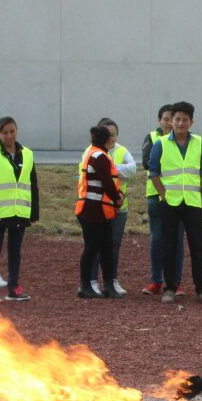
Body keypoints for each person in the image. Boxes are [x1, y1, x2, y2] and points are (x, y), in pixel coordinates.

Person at [150, 101, 202, 305]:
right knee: (168, 245)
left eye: (185, 120)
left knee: (197, 247)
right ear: (171, 121)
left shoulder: (198, 142)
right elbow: (153, 173)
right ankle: (169, 288)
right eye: (177, 119)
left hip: (193, 202)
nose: (180, 123)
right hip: (170, 203)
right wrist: (164, 195)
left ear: (191, 122)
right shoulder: (160, 143)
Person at [0, 117, 38, 304]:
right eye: (5, 133)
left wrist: (34, 211)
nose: (9, 136)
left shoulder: (27, 154)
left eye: (12, 131)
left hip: (19, 211)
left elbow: (32, 184)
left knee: (15, 251)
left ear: (16, 131)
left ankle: (14, 287)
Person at [88, 118, 135, 297]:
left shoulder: (122, 150)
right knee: (95, 244)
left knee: (114, 245)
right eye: (108, 135)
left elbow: (131, 170)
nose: (111, 139)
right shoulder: (91, 152)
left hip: (119, 207)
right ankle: (92, 280)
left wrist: (108, 169)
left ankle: (112, 280)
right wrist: (113, 171)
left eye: (114, 135)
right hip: (98, 206)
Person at [75, 125, 122, 299]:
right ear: (107, 139)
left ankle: (105, 285)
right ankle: (86, 285)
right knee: (94, 247)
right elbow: (107, 182)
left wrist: (116, 196)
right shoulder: (100, 156)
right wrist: (117, 197)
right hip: (93, 209)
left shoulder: (94, 153)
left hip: (97, 209)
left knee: (103, 247)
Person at [142, 103, 175, 296]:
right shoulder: (152, 138)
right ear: (159, 121)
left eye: (174, 118)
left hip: (178, 195)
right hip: (155, 195)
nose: (170, 123)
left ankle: (176, 282)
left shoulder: (186, 141)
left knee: (177, 239)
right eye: (166, 119)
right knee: (157, 238)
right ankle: (156, 280)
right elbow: (147, 162)